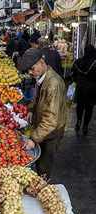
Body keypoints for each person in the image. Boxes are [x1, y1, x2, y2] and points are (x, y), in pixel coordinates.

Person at [20, 48, 67, 179]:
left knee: (43, 165)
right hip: (43, 128)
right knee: (39, 159)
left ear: (41, 62)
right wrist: (31, 109)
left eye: (32, 69)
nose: (30, 73)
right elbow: (38, 97)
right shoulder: (42, 77)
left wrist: (34, 139)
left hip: (51, 133)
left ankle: (43, 186)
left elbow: (51, 119)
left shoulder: (53, 84)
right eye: (28, 70)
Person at [72, 45, 96, 135]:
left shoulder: (78, 62)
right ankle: (85, 126)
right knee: (89, 108)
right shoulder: (95, 63)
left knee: (80, 106)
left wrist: (77, 81)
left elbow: (73, 74)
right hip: (92, 90)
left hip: (80, 88)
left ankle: (78, 121)